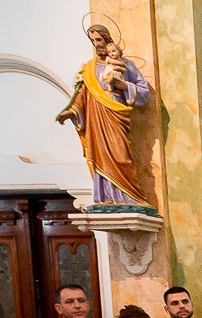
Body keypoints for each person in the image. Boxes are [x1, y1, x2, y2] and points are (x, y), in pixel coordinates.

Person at [55, 24, 152, 207]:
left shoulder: (124, 64)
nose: (96, 44)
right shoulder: (89, 68)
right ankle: (106, 197)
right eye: (92, 40)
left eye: (98, 39)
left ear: (107, 39)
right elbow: (82, 94)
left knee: (121, 156)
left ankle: (132, 197)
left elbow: (144, 92)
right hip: (96, 118)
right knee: (100, 155)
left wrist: (124, 86)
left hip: (116, 113)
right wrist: (71, 111)